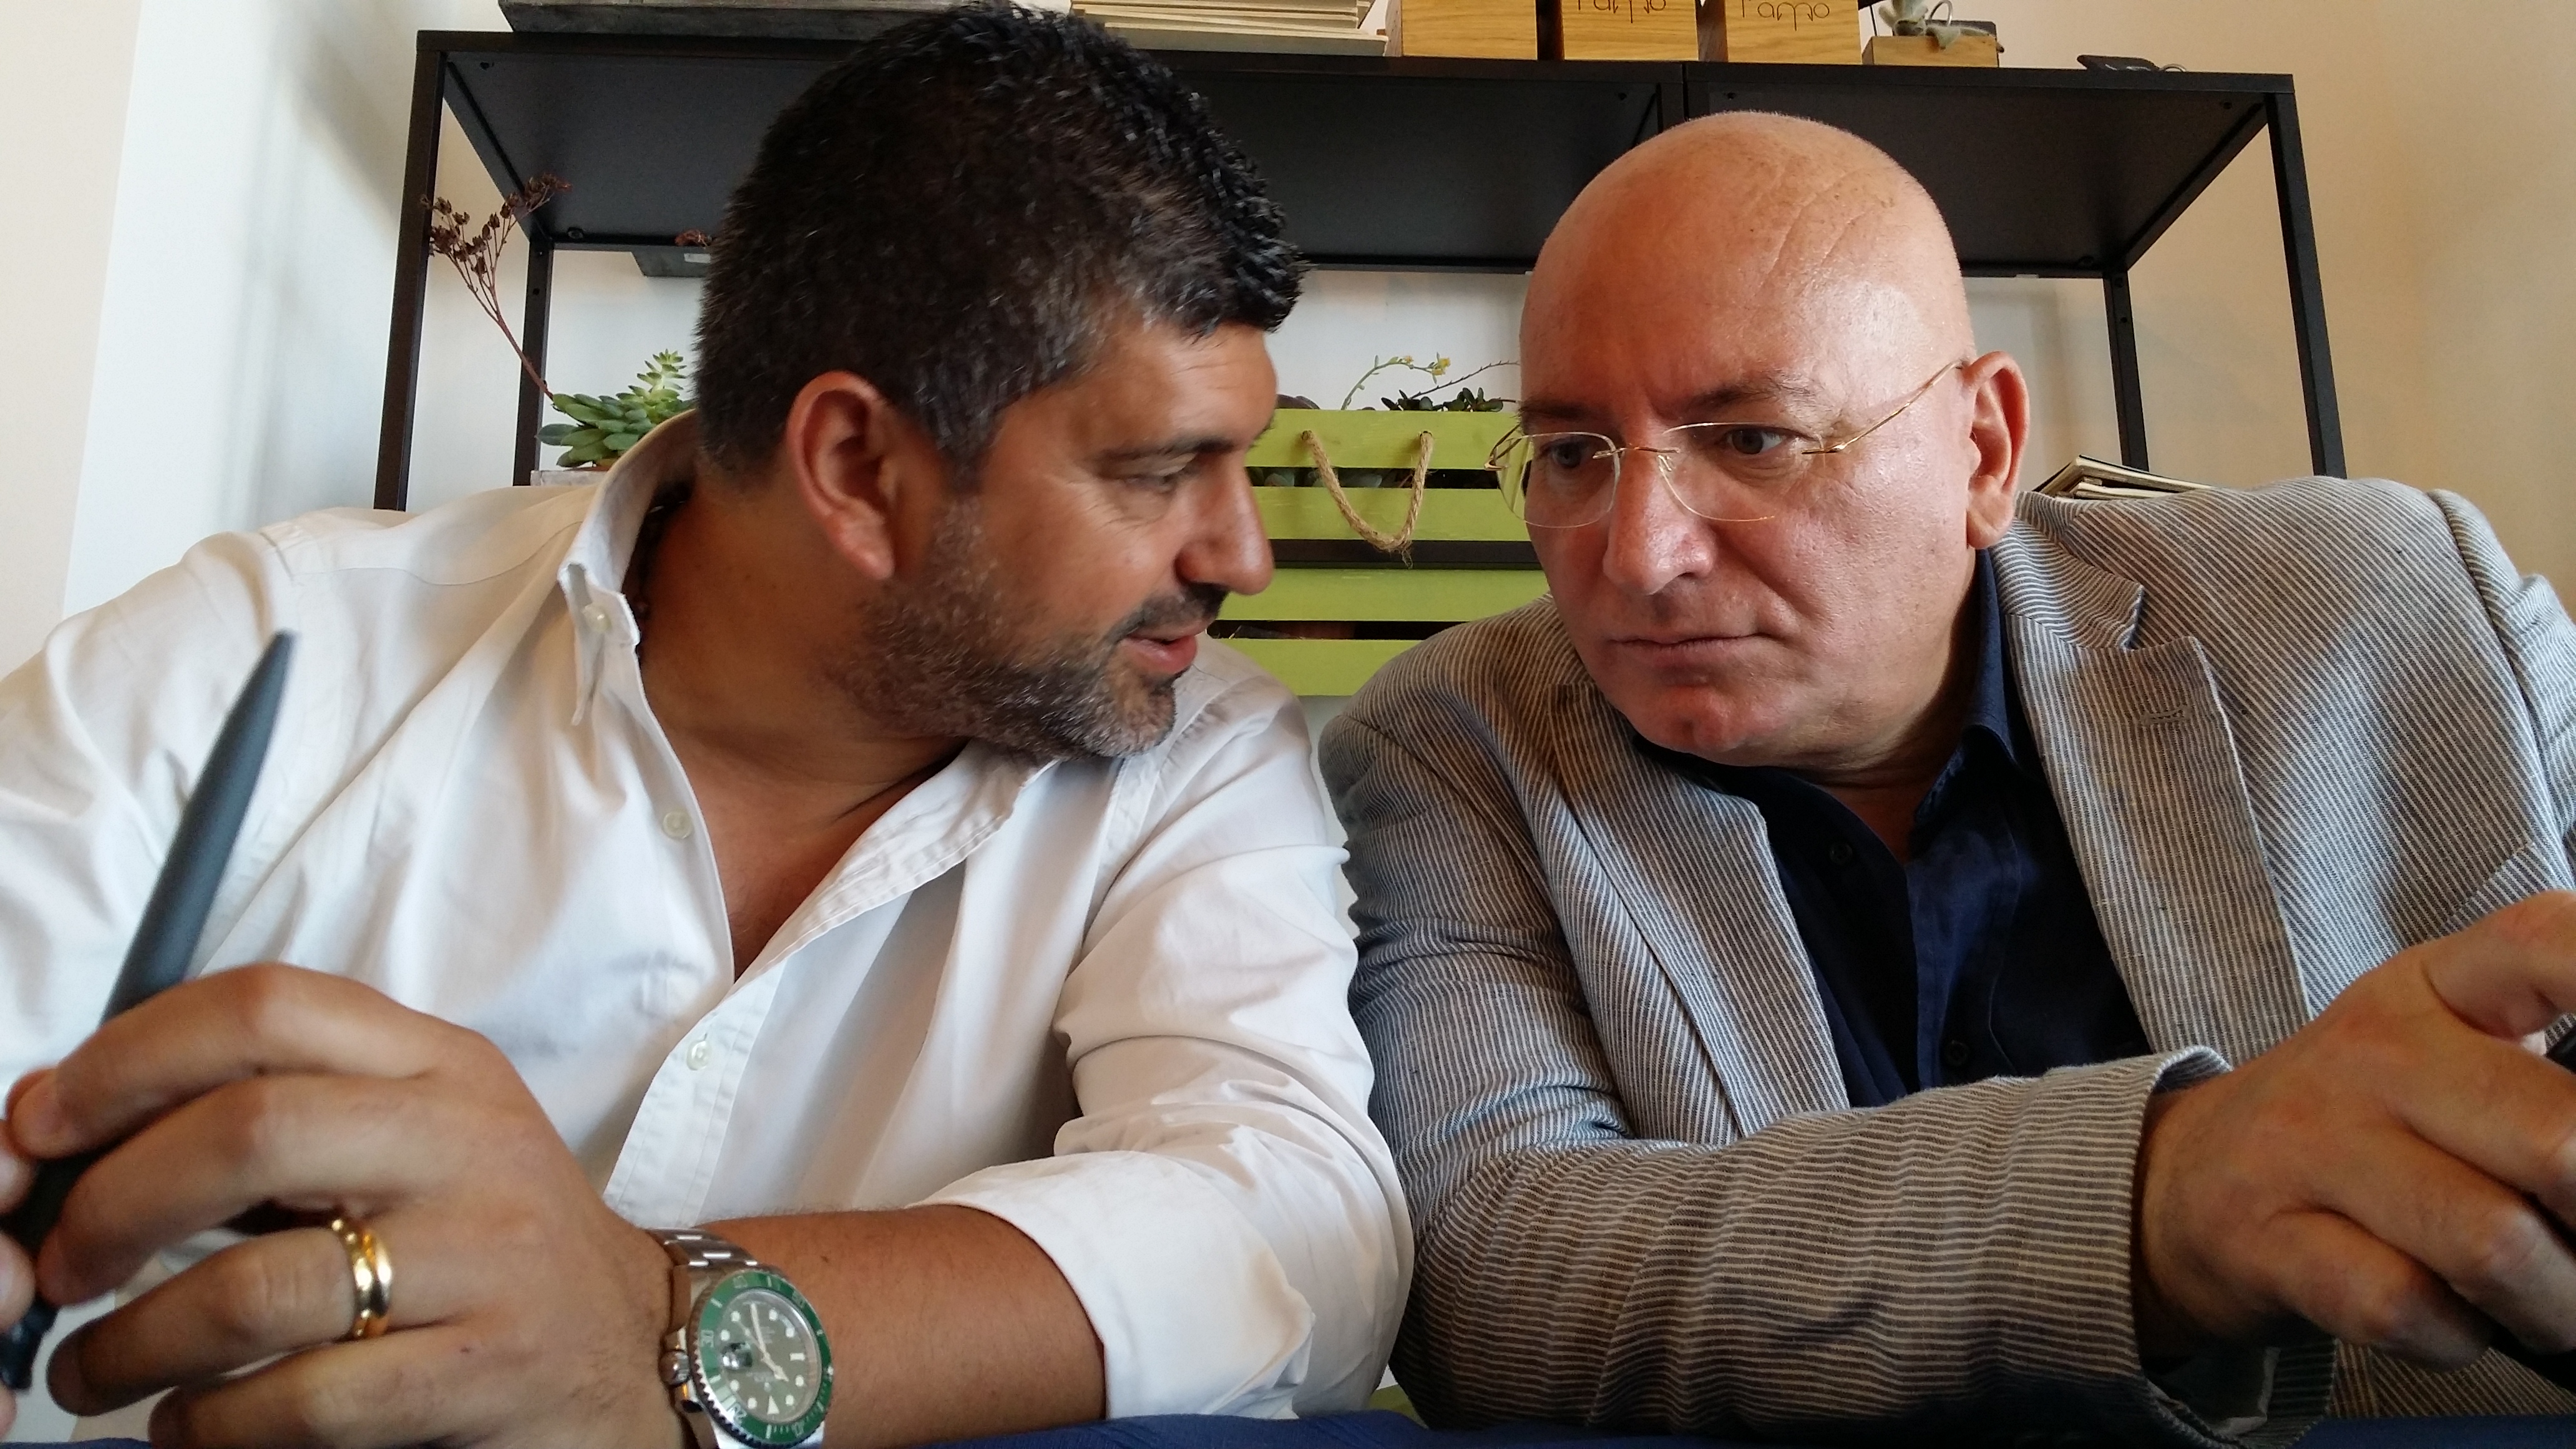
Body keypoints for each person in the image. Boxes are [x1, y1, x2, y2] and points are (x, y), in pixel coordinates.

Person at [0, 9, 1407, 1445]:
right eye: (1161, 473)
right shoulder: (262, 651)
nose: (1243, 557)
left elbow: (1304, 1237)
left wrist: (657, 1315)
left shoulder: (1199, 753)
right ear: (856, 467)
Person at [1323, 110, 2576, 1443]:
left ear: (1983, 449)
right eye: (1575, 453)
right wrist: (2161, 1198)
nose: (1637, 555)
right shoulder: (1458, 745)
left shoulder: (2399, 598)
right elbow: (1491, 1275)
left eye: (1751, 439)